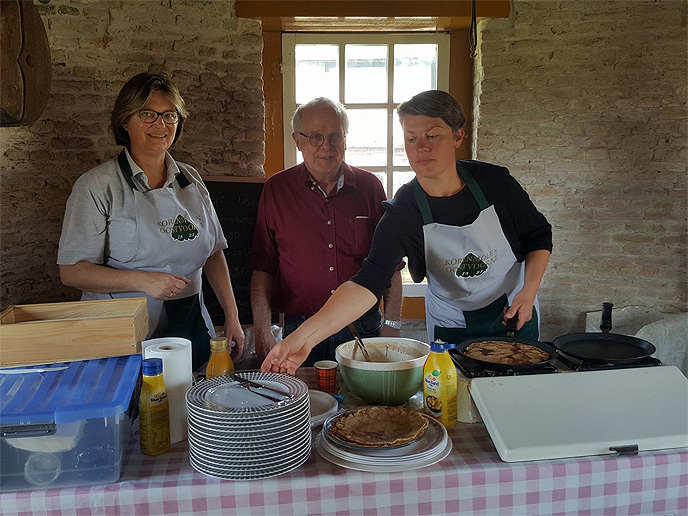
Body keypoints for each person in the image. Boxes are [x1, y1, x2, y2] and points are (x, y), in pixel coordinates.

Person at [262, 90, 552, 375]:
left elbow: (538, 236)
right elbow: (367, 283)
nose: (421, 147)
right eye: (411, 138)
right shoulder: (404, 209)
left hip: (513, 307)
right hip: (451, 318)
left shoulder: (494, 183)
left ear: (458, 136)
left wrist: (528, 292)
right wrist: (303, 338)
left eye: (432, 135)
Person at [57, 73, 244, 371]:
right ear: (124, 121)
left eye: (169, 115)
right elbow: (72, 271)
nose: (161, 124)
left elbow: (213, 252)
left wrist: (231, 316)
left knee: (188, 401)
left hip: (187, 324)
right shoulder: (97, 186)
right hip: (120, 330)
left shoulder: (190, 179)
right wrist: (142, 280)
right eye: (148, 114)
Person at [250, 97, 403, 366]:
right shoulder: (276, 190)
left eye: (335, 136)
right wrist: (262, 329)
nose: (326, 147)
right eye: (316, 137)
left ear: (345, 138)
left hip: (363, 328)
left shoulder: (370, 188)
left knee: (369, 405)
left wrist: (391, 324)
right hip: (299, 329)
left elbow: (390, 264)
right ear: (297, 141)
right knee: (304, 403)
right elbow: (263, 266)